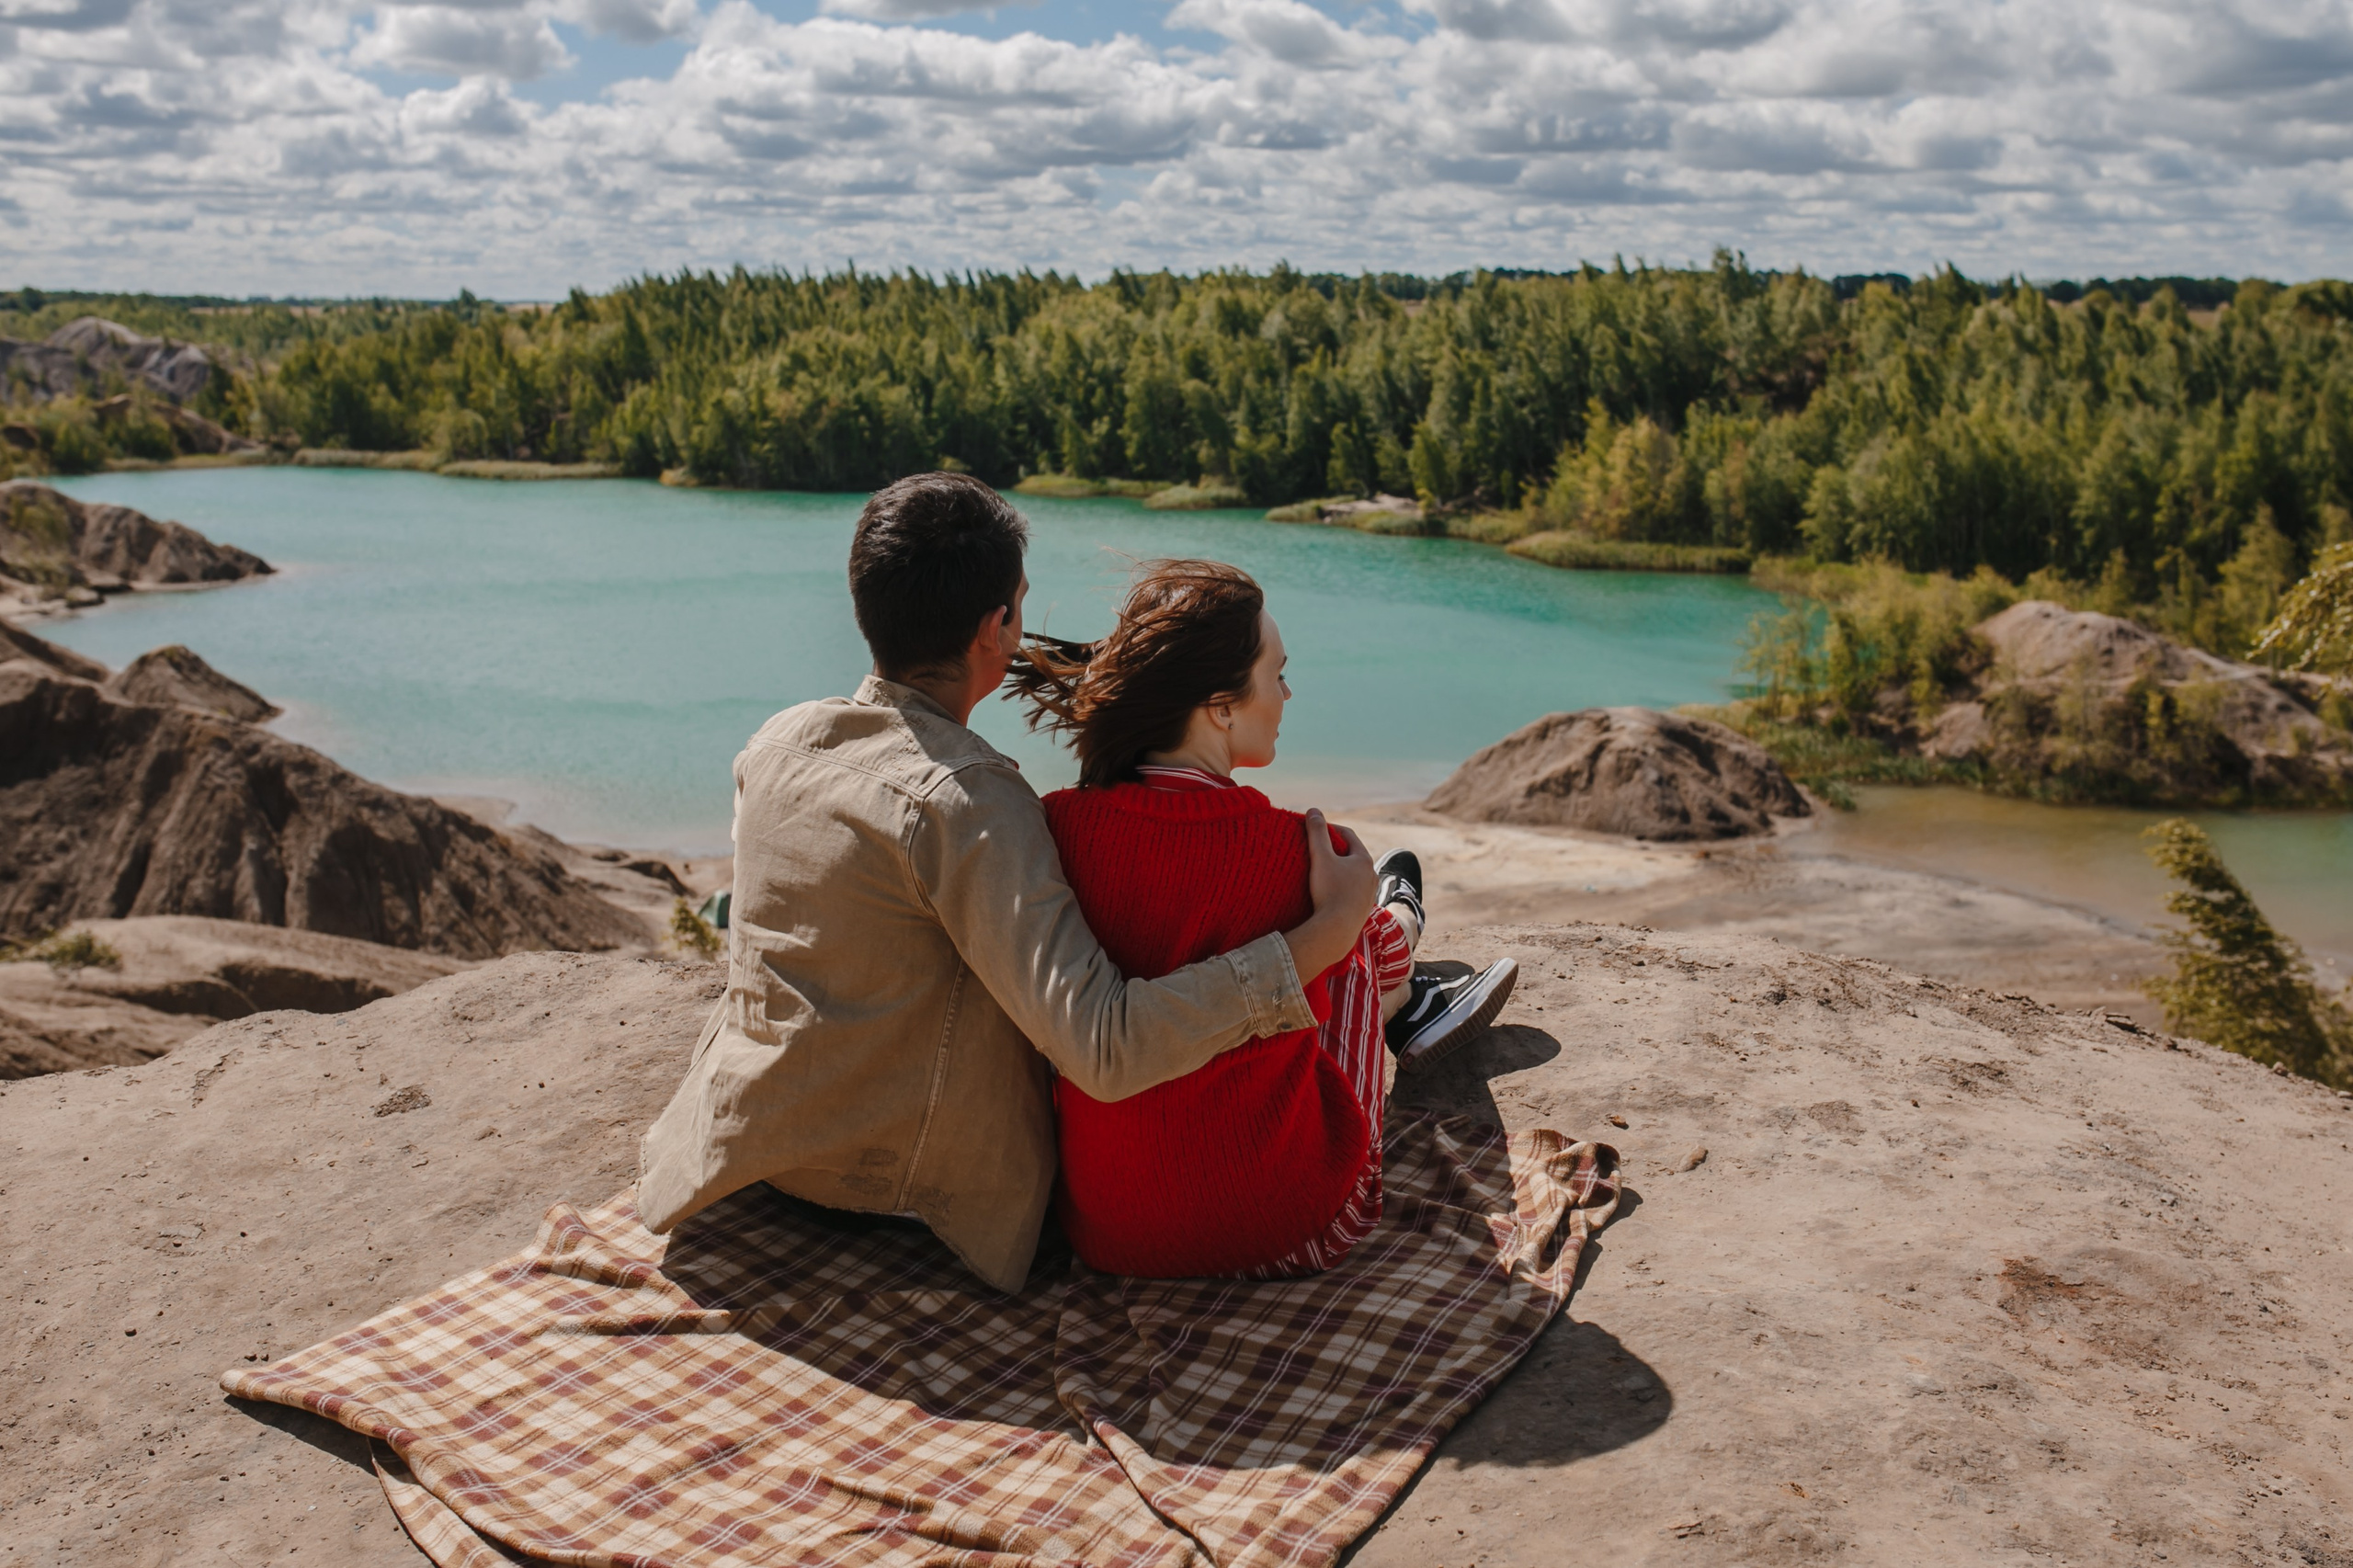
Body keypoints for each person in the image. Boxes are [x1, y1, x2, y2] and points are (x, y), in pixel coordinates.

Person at [635, 473, 1381, 1293]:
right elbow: (1104, 1047)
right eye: (1020, 604)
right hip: (902, 1195)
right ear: (998, 627)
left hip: (757, 1154)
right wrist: (1323, 937)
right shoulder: (971, 802)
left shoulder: (776, 744)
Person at [1011, 559, 1518, 1279]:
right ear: (1221, 706)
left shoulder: (1057, 829)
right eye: (1277, 674)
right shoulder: (1295, 849)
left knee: (1328, 935)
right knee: (1348, 935)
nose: (1287, 693)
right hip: (1294, 1228)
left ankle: (1404, 958)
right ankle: (1403, 951)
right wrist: (1349, 918)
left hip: (1108, 1236)